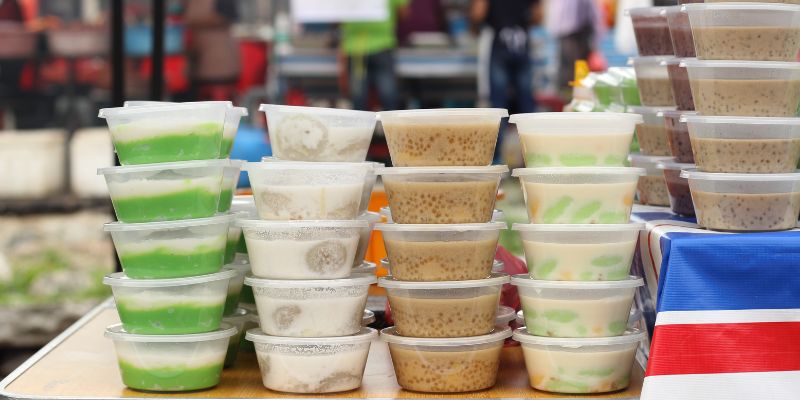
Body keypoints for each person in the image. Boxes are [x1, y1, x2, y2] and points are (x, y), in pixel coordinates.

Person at [470, 0, 541, 162]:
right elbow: (538, 16)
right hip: (521, 46)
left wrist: (474, 27)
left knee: (498, 108)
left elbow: (478, 12)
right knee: (526, 107)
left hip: (500, 45)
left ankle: (495, 160)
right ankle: (532, 158)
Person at [340, 0, 408, 111]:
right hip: (382, 44)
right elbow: (403, 12)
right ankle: (390, 125)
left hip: (356, 47)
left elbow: (337, 17)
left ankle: (361, 127)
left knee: (358, 95)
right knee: (387, 92)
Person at [546, 0, 605, 93]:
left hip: (579, 37)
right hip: (566, 37)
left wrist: (595, 42)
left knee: (579, 73)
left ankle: (578, 97)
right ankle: (568, 98)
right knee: (568, 74)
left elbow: (594, 17)